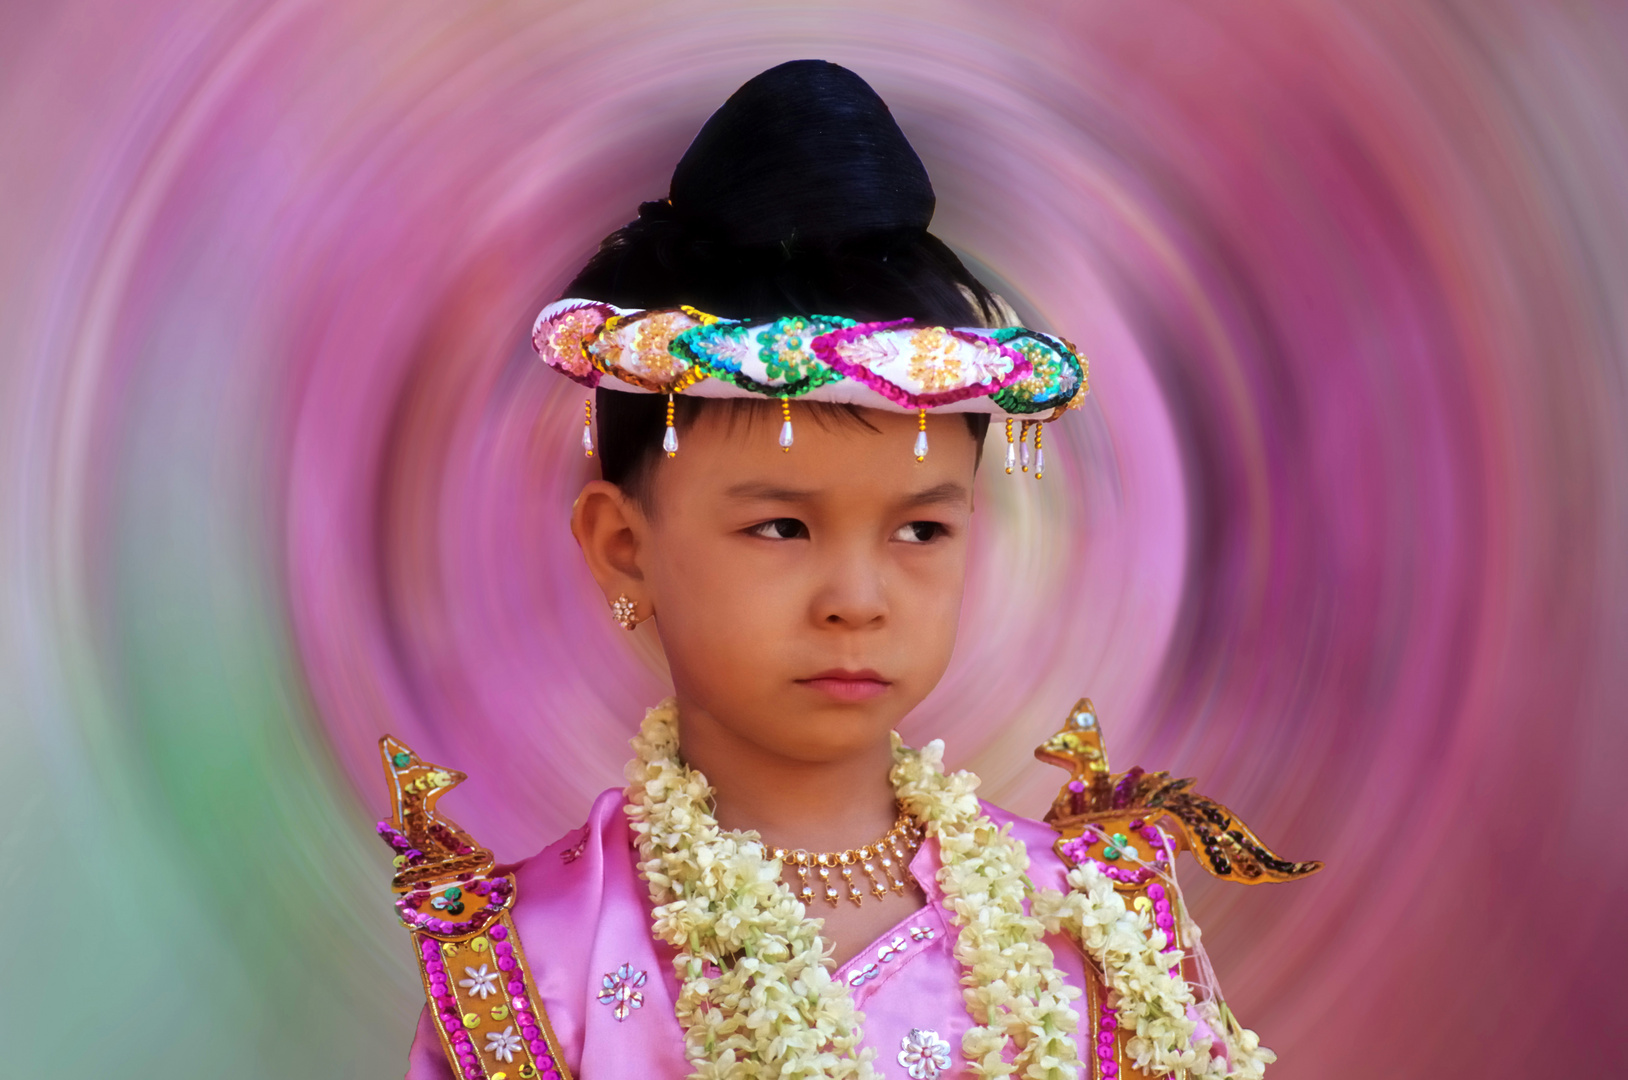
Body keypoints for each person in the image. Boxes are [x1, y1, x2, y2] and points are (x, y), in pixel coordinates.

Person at [379, 59, 1318, 1080]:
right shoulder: (536, 956)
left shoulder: (1094, 927)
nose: (856, 602)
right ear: (623, 544)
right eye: (781, 529)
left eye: (919, 533)